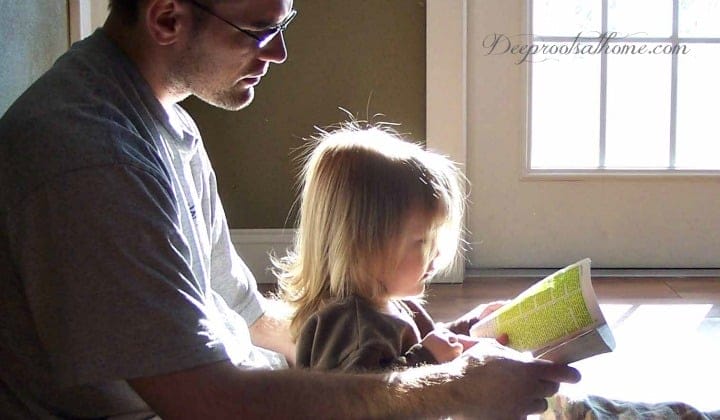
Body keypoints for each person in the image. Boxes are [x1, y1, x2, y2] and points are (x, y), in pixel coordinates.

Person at [0, 0, 580, 418]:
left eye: (284, 23)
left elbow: (246, 316)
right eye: (257, 30)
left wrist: (417, 343)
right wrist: (449, 389)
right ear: (168, 18)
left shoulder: (164, 119)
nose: (278, 53)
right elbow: (205, 401)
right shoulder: (94, 163)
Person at [276, 124, 497, 371]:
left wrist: (471, 326)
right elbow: (356, 400)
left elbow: (422, 344)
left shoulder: (388, 302)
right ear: (362, 245)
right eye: (421, 241)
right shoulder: (350, 327)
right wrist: (426, 358)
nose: (436, 253)